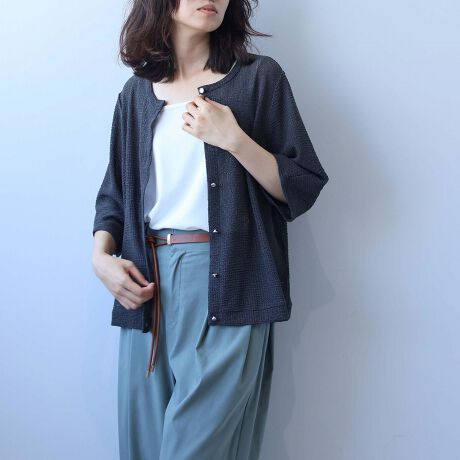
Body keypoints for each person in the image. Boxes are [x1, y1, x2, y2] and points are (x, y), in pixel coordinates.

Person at [91, 0, 329, 459]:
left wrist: (233, 139)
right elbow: (114, 196)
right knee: (144, 449)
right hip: (145, 287)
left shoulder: (259, 79)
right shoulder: (135, 94)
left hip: (230, 280)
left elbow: (302, 185)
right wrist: (101, 258)